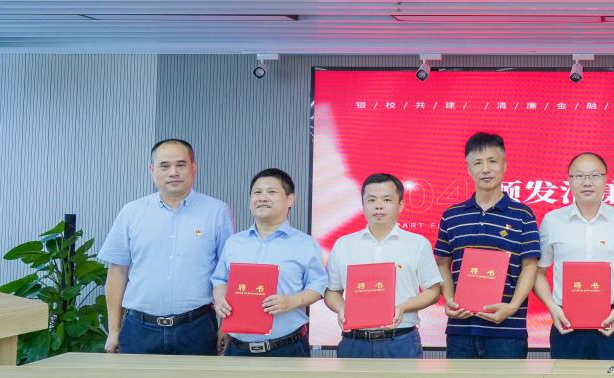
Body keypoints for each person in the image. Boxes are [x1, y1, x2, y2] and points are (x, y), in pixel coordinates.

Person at [99, 138, 234, 355]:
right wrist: (113, 331)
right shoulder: (131, 212)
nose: (173, 172)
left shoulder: (217, 211)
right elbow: (117, 272)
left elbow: (228, 274)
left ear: (194, 167)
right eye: (164, 166)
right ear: (152, 170)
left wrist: (226, 326)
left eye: (180, 165)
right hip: (139, 329)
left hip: (197, 329)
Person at [533, 152, 614, 360]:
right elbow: (537, 272)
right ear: (569, 180)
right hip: (566, 322)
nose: (587, 182)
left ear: (606, 179)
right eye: (579, 176)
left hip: (613, 319)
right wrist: (552, 308)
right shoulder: (552, 221)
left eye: (595, 175)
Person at [434, 132, 541, 359]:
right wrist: (450, 299)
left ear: (504, 166)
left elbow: (530, 266)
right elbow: (442, 264)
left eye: (492, 161)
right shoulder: (452, 216)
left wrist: (512, 307)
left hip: (507, 331)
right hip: (461, 330)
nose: (485, 169)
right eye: (478, 163)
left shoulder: (523, 214)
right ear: (468, 169)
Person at [212, 168, 328, 358]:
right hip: (238, 348)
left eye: (271, 192)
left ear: (290, 200)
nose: (262, 198)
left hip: (287, 347)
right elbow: (220, 280)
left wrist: (291, 301)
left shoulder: (305, 244)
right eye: (257, 192)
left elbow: (319, 285)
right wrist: (220, 300)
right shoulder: (234, 242)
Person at [324, 173, 441, 359]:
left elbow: (433, 291)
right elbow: (332, 292)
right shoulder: (343, 245)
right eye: (371, 200)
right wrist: (341, 308)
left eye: (387, 200)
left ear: (400, 205)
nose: (378, 205)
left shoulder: (418, 244)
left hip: (400, 341)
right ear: (363, 205)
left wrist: (403, 307)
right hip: (354, 341)